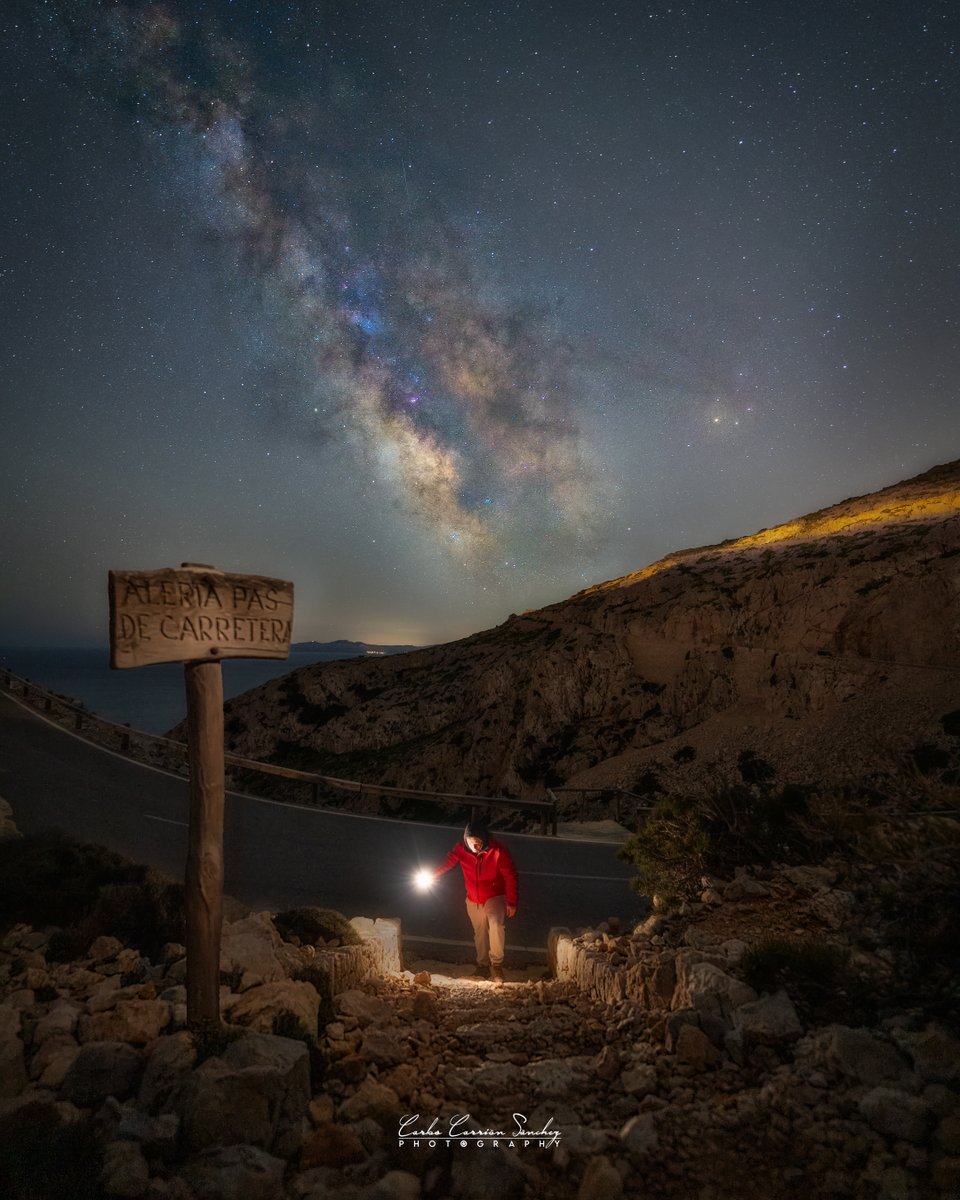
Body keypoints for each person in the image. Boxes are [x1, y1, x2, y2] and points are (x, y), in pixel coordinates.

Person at [433, 818, 518, 983]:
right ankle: (482, 965)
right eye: (472, 842)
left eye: (478, 843)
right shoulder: (460, 849)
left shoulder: (497, 851)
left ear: (484, 839)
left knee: (495, 925)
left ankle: (497, 965)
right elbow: (447, 862)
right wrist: (431, 874)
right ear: (466, 840)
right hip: (473, 898)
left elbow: (510, 875)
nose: (475, 847)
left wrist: (512, 901)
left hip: (495, 895)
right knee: (479, 932)